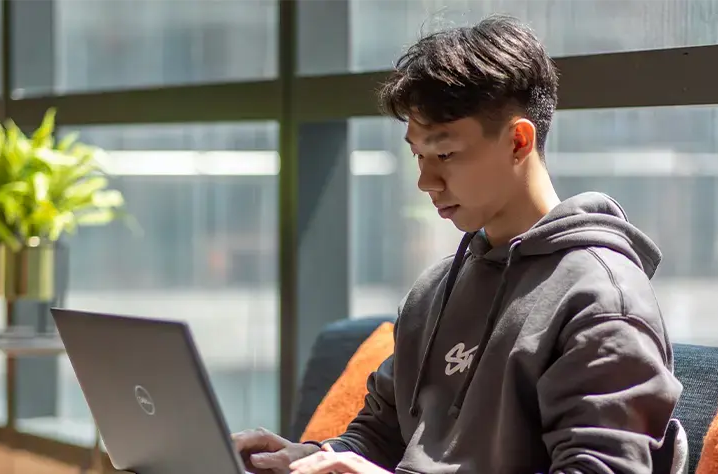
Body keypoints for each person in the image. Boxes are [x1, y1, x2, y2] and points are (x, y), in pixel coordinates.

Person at [232, 14, 687, 474]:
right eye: (418, 155)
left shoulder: (602, 298)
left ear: (518, 141)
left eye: (445, 154)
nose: (425, 181)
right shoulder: (434, 290)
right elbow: (378, 437)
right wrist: (304, 457)